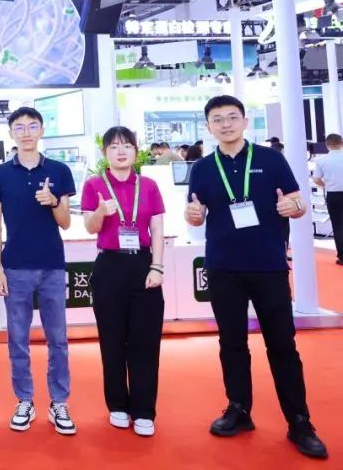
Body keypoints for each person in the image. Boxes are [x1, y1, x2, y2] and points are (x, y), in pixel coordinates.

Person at [186, 95, 327, 459]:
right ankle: (239, 409)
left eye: (232, 117)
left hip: (269, 265)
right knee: (231, 343)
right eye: (218, 119)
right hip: (223, 268)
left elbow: (298, 203)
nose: (226, 124)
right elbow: (195, 212)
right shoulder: (202, 168)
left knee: (282, 345)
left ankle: (299, 421)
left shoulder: (270, 159)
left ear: (245, 122)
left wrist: (293, 207)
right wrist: (193, 216)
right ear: (209, 126)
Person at [0, 106, 77, 435]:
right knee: (18, 340)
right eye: (20, 127)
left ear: (41, 130)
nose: (26, 132)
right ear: (11, 132)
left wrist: (53, 201)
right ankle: (24, 400)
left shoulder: (59, 171)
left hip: (52, 265)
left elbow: (65, 222)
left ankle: (59, 402)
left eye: (32, 126)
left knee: (58, 340)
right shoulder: (0, 174)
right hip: (15, 267)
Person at [80, 127, 166, 437]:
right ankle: (117, 404)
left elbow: (157, 229)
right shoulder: (93, 185)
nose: (120, 151)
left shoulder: (149, 185)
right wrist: (101, 212)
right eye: (114, 146)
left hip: (143, 265)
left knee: (145, 341)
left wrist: (157, 267)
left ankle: (144, 410)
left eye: (127, 146)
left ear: (135, 152)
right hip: (109, 266)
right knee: (112, 339)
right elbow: (90, 227)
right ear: (105, 153)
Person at [312, 133, 343, 265]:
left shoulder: (321, 160)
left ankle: (342, 256)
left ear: (327, 145)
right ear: (342, 143)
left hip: (333, 194)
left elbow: (316, 179)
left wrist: (326, 185)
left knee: (338, 225)